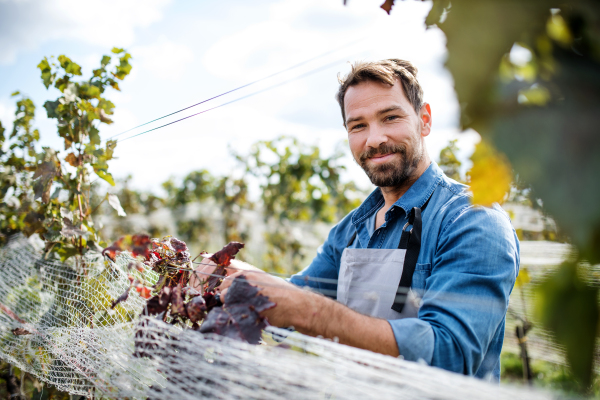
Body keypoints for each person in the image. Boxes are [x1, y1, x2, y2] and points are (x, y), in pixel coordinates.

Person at [201, 59, 519, 381]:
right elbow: (291, 299)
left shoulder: (472, 221)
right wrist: (228, 273)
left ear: (424, 120)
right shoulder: (351, 229)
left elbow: (450, 355)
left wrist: (310, 313)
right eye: (358, 125)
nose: (374, 139)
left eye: (390, 117)